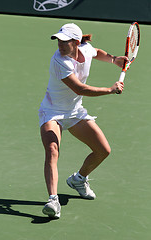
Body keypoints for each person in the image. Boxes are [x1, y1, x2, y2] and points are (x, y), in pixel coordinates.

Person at [39, 23, 127, 219]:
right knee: (52, 150)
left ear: (76, 42)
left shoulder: (85, 49)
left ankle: (79, 179)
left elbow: (96, 52)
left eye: (65, 41)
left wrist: (114, 60)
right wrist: (110, 90)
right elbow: (80, 89)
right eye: (58, 41)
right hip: (52, 112)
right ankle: (53, 200)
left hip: (75, 112)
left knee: (103, 150)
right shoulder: (59, 61)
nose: (60, 45)